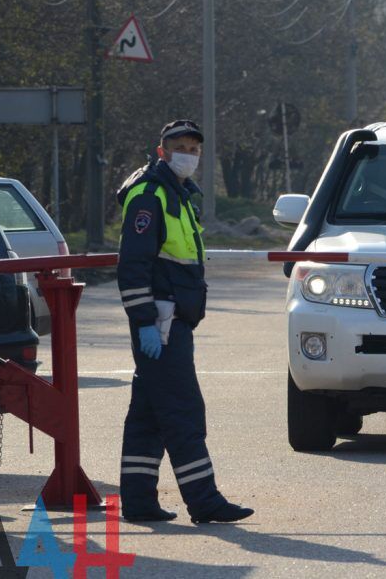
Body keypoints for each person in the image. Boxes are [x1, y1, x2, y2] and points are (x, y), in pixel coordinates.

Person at [116, 119, 254, 524]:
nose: (188, 155)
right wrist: (143, 320)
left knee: (148, 414)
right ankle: (205, 501)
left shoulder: (177, 193)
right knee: (183, 411)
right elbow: (134, 265)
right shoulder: (150, 194)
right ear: (161, 151)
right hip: (160, 321)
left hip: (170, 320)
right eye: (180, 147)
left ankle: (139, 501)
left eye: (194, 149)